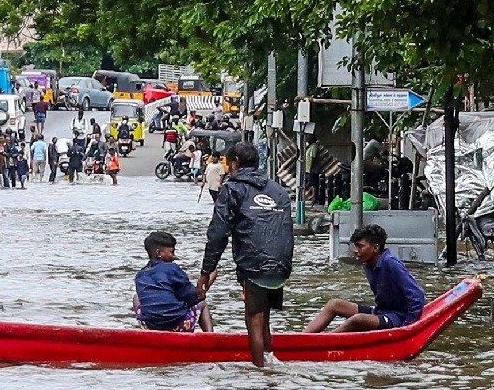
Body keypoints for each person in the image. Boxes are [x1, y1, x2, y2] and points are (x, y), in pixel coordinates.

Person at [198, 141, 294, 368]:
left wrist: (206, 270)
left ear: (235, 163)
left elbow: (218, 233)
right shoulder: (278, 190)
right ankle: (270, 362)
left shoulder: (232, 189)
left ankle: (259, 373)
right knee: (264, 317)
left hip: (254, 265)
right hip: (281, 264)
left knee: (254, 319)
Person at [304, 225, 425, 333]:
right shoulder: (368, 264)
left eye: (360, 246)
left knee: (358, 319)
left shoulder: (390, 263)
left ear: (375, 248)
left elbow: (417, 295)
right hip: (380, 311)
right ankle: (302, 338)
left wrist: (408, 326)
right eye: (355, 246)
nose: (355, 251)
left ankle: (324, 342)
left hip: (397, 317)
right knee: (334, 304)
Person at [134, 230, 214, 333]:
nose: (174, 256)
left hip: (151, 326)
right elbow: (193, 298)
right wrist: (209, 280)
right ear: (158, 253)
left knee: (136, 297)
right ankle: (210, 337)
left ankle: (147, 332)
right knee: (202, 303)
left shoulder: (140, 275)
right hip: (178, 325)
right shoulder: (172, 268)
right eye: (172, 252)